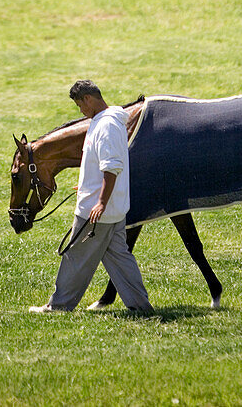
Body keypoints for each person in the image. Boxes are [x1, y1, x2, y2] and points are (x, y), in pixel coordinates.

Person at [29, 79, 154, 314]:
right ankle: (141, 306)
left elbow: (112, 167)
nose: (81, 111)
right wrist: (89, 187)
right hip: (113, 210)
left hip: (98, 212)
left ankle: (59, 306)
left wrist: (100, 202)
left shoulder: (107, 126)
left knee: (76, 256)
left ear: (88, 99)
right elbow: (102, 167)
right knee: (120, 259)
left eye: (80, 105)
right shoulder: (104, 122)